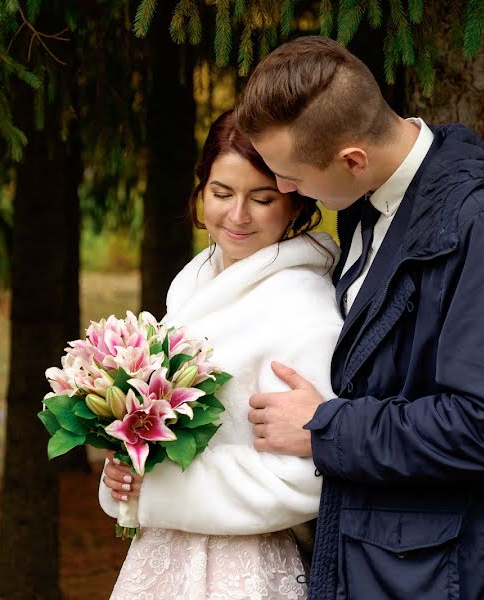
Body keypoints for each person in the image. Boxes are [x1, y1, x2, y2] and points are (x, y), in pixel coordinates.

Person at [236, 36, 484, 599]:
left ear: (352, 159)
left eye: (289, 173)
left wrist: (325, 427)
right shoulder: (366, 204)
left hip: (458, 575)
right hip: (390, 560)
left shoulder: (483, 223)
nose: (284, 188)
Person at [99, 109, 343, 599]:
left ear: (294, 203)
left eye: (262, 198)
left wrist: (159, 491)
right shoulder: (192, 284)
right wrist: (126, 467)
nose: (237, 216)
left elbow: (305, 479)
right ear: (201, 191)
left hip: (244, 564)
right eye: (222, 193)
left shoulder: (302, 307)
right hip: (165, 553)